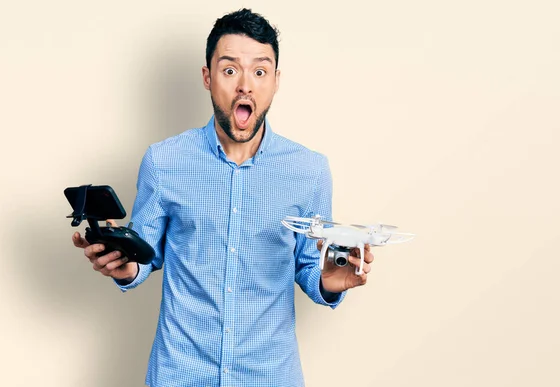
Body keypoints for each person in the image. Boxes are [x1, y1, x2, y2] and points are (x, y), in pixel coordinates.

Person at [72, 8, 374, 387]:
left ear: (276, 81)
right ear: (207, 77)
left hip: (269, 377)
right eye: (230, 70)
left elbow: (310, 267)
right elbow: (145, 255)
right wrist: (125, 266)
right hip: (179, 375)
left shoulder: (309, 171)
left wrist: (330, 280)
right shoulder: (164, 161)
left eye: (260, 71)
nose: (245, 85)